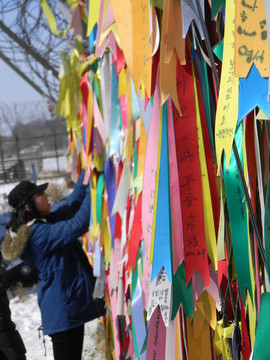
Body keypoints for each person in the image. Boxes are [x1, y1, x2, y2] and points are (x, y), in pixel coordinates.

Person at [1, 171, 104, 360]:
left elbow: (72, 203)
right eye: (39, 195)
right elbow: (77, 225)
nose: (46, 196)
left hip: (67, 307)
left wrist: (89, 172)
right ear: (29, 207)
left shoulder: (44, 221)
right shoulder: (37, 234)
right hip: (62, 311)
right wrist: (97, 188)